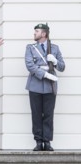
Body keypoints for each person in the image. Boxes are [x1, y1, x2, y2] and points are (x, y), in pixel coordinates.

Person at [25, 23, 65, 151]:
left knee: (48, 114)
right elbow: (30, 65)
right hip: (35, 85)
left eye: (36, 31)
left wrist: (55, 61)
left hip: (50, 87)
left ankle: (47, 141)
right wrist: (46, 74)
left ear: (44, 34)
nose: (34, 33)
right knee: (36, 114)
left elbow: (62, 67)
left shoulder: (55, 48)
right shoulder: (30, 48)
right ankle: (38, 141)